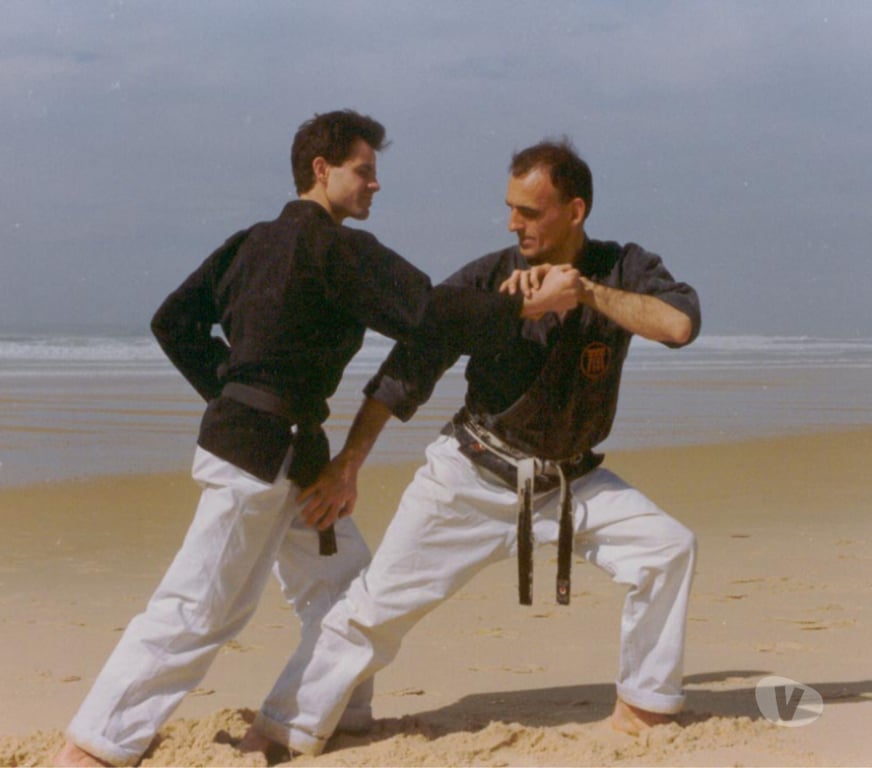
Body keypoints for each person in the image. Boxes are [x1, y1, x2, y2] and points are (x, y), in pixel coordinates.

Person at [51, 113, 580, 768]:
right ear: (322, 170)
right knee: (201, 608)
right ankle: (93, 747)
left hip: (287, 455)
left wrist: (232, 391)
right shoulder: (336, 248)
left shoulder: (248, 242)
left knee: (343, 579)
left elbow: (172, 321)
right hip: (256, 460)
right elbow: (430, 312)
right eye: (364, 170)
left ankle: (329, 715)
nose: (375, 184)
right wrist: (529, 305)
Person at [237, 138, 702, 758]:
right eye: (510, 208)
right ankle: (282, 729)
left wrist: (584, 292)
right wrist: (349, 463)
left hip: (571, 481)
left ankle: (643, 708)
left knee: (667, 549)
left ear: (576, 211)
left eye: (529, 212)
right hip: (472, 477)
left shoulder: (623, 267)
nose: (513, 223)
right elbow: (405, 373)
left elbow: (678, 324)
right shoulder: (486, 280)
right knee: (374, 610)